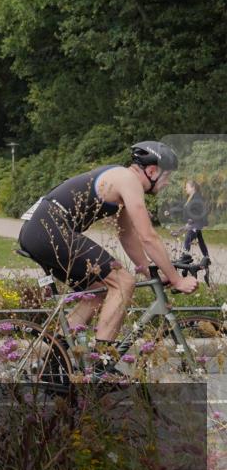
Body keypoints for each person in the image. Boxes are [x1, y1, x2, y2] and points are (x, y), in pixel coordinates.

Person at [18, 141, 198, 379]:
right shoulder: (128, 180)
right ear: (152, 171)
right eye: (167, 177)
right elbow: (148, 236)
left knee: (98, 292)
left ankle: (53, 361)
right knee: (123, 282)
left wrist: (149, 272)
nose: (167, 183)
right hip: (49, 230)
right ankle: (101, 365)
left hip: (41, 232)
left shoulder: (122, 181)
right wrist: (176, 280)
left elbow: (128, 235)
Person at [179, 180, 210, 259]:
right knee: (200, 240)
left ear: (193, 188)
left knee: (188, 239)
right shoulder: (191, 197)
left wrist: (192, 220)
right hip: (194, 223)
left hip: (196, 223)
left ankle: (185, 259)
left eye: (187, 187)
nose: (185, 189)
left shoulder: (197, 197)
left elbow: (200, 211)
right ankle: (206, 257)